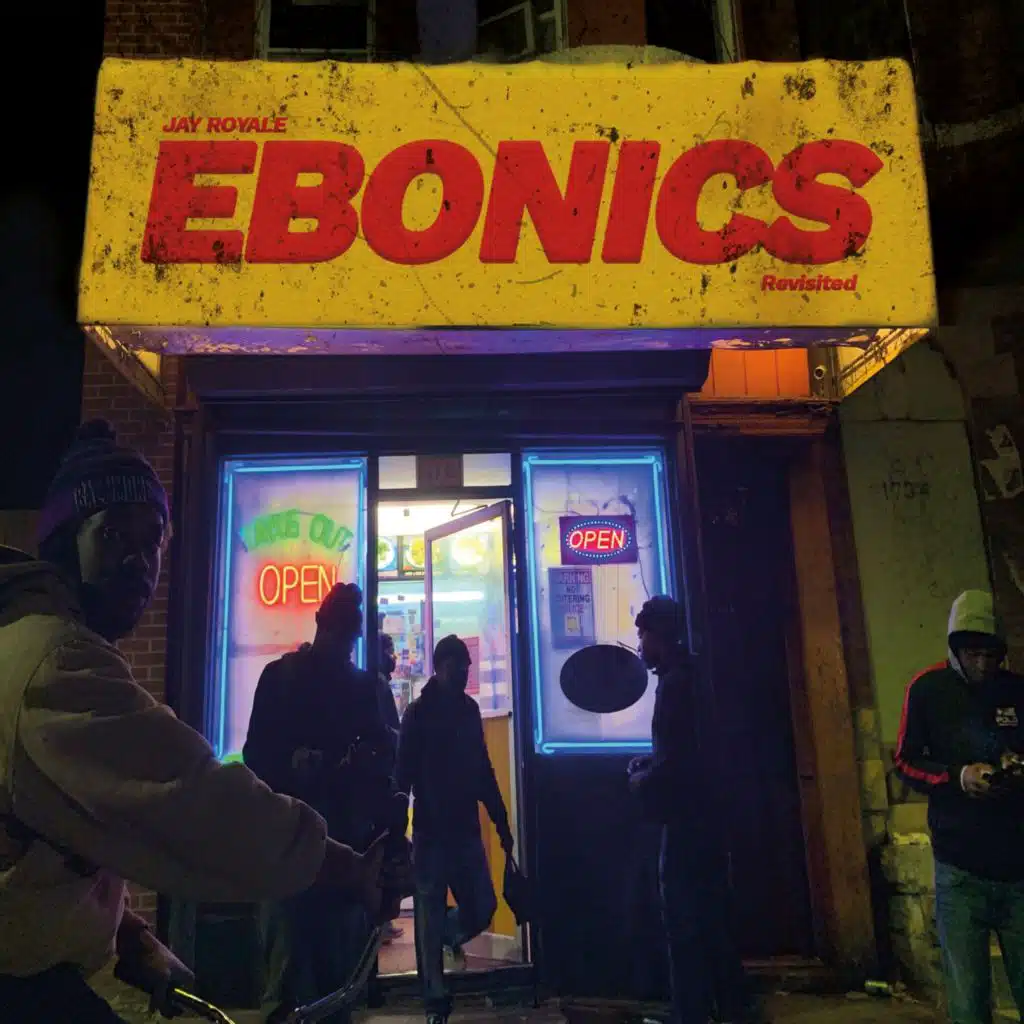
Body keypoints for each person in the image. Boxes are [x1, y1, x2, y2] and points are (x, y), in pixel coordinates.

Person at [0, 420, 387, 1024]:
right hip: (25, 989)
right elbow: (192, 797)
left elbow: (56, 839)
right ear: (64, 540)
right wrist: (345, 865)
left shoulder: (42, 643)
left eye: (153, 537)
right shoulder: (57, 662)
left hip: (54, 970)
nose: (140, 558)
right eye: (114, 534)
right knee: (286, 991)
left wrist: (124, 931)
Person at [245, 582, 398, 1024]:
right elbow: (257, 756)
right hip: (311, 848)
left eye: (348, 634)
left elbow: (388, 765)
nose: (344, 643)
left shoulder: (299, 680)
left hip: (318, 848)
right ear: (323, 625)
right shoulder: (296, 679)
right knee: (315, 985)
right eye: (341, 631)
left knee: (312, 985)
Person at [627, 596, 764, 1024]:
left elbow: (679, 762)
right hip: (709, 815)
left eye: (643, 635)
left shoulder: (674, 685)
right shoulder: (696, 676)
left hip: (685, 818)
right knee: (712, 916)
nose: (640, 645)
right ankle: (730, 1006)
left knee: (682, 920)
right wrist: (652, 763)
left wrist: (642, 779)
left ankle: (690, 1011)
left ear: (658, 635)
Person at [894, 590, 1024, 1024]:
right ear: (955, 649)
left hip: (1018, 868)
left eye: (991, 655)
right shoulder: (927, 690)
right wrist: (958, 777)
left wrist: (1014, 766)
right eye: (972, 654)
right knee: (968, 1006)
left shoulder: (1016, 690)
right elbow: (905, 761)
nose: (983, 665)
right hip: (960, 873)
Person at [397, 634, 515, 1024]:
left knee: (480, 907)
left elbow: (482, 770)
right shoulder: (418, 714)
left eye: (466, 666)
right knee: (437, 910)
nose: (464, 672)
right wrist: (397, 826)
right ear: (439, 667)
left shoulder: (467, 711)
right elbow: (404, 774)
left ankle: (442, 937)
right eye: (458, 666)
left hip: (460, 829)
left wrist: (499, 818)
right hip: (433, 831)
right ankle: (434, 1001)